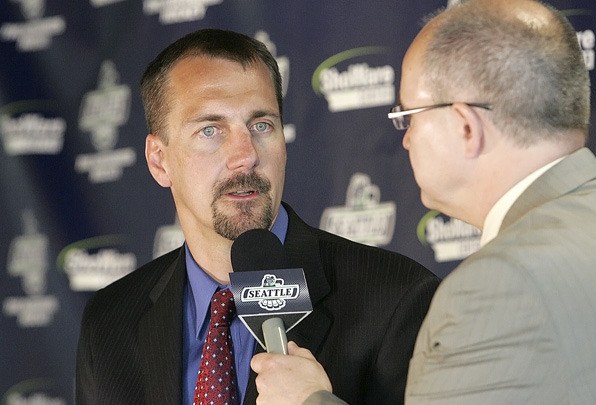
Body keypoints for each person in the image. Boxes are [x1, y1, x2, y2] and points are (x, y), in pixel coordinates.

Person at [250, 0, 596, 403]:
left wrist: (308, 400)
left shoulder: (493, 290)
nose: (406, 139)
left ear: (466, 127)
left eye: (410, 116)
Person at [74, 28, 440, 405]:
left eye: (261, 125)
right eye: (210, 130)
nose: (245, 155)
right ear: (159, 160)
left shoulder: (396, 299)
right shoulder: (111, 322)